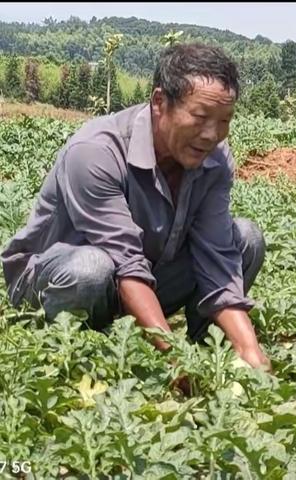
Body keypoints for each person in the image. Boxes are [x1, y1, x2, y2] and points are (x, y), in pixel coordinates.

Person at [1, 43, 271, 371]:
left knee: (245, 238)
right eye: (200, 117)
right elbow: (125, 263)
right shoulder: (96, 151)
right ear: (159, 102)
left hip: (142, 277)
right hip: (57, 280)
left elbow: (217, 257)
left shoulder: (213, 159)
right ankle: (74, 353)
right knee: (91, 268)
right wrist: (174, 360)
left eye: (224, 120)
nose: (212, 134)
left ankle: (214, 356)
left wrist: (250, 348)